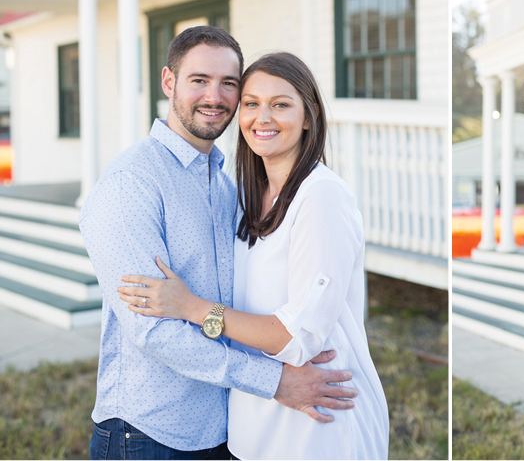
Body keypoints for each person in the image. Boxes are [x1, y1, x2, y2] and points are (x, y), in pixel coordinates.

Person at [80, 28, 356, 460]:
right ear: (169, 82)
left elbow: (225, 307)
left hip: (224, 429)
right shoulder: (130, 184)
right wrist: (274, 381)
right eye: (199, 80)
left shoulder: (228, 189)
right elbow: (152, 329)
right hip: (150, 434)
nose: (215, 95)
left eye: (229, 83)